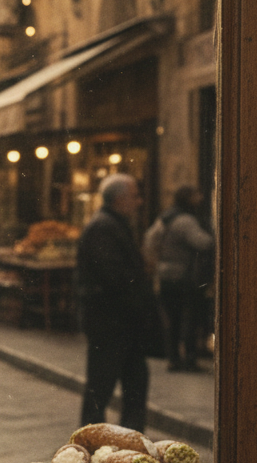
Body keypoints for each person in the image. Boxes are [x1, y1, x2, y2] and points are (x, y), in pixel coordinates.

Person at [76, 173, 158, 431]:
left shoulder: (113, 224)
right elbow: (113, 276)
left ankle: (129, 441)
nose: (140, 201)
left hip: (121, 322)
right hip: (111, 323)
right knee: (101, 387)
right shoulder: (104, 227)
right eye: (135, 196)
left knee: (134, 382)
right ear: (120, 199)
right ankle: (89, 442)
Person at [143, 185, 215, 371]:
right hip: (183, 276)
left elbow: (149, 240)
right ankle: (189, 359)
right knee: (188, 318)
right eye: (196, 194)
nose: (200, 197)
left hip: (165, 274)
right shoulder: (185, 220)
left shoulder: (165, 217)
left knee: (172, 320)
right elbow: (203, 243)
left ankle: (174, 357)